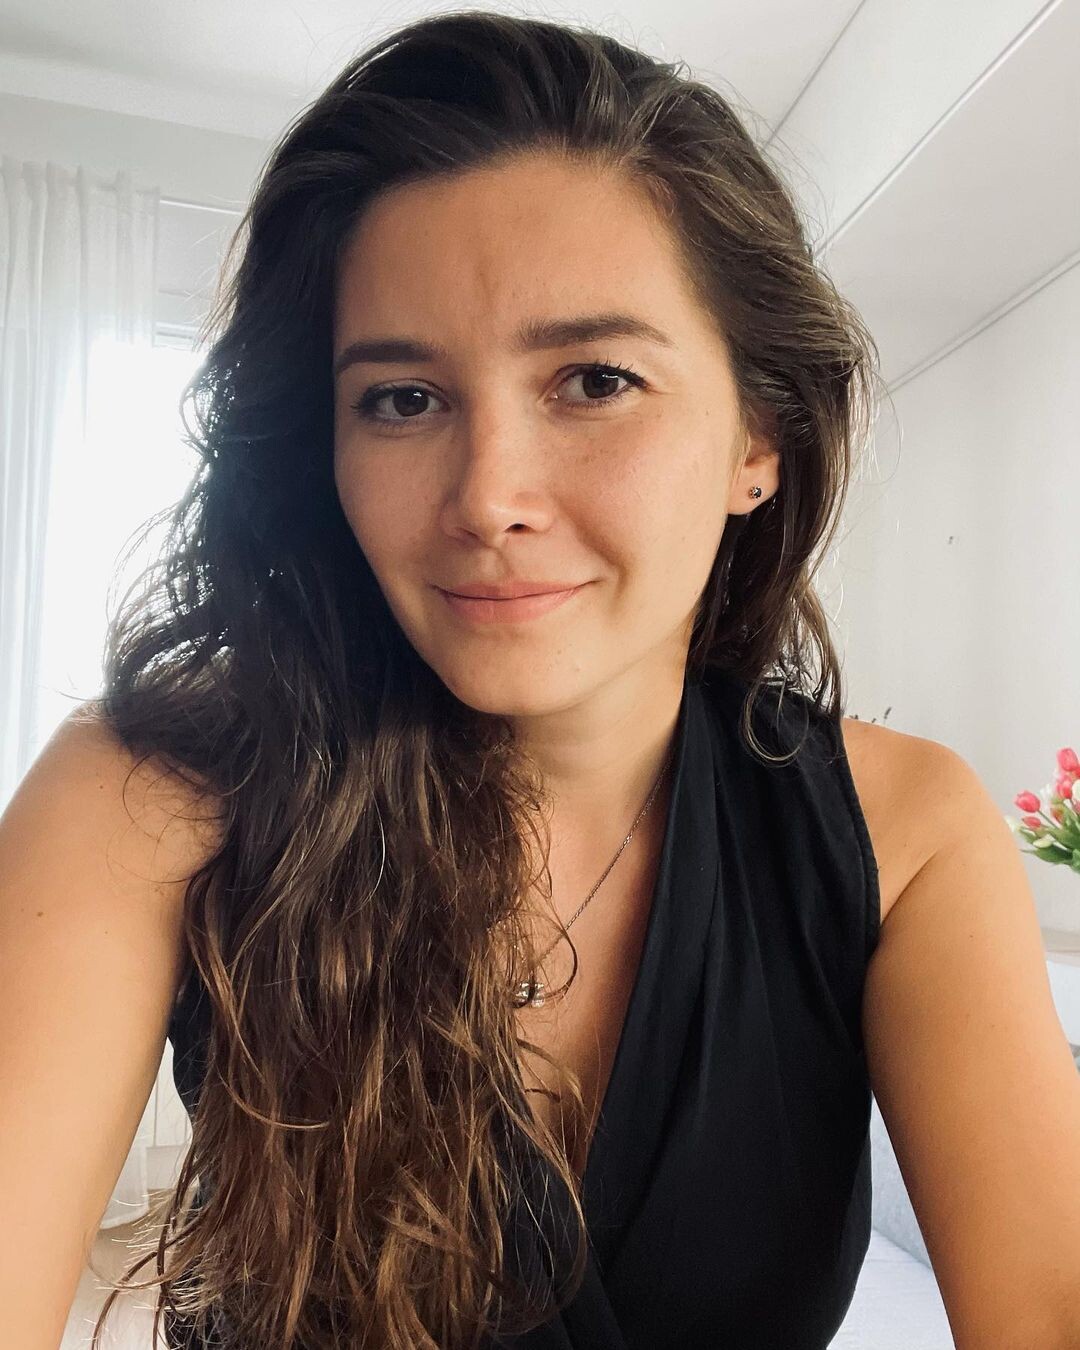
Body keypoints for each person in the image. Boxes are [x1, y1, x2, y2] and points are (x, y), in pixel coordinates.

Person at [1, 10, 891, 1348]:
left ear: (757, 438)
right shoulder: (152, 791)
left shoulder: (900, 831)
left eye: (595, 380)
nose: (486, 498)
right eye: (402, 399)